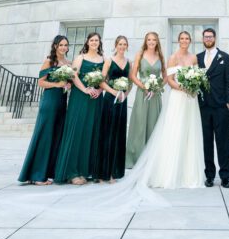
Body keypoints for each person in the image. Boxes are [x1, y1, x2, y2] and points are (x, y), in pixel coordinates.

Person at [140, 30, 205, 188]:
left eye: (187, 38)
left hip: (191, 99)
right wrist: (183, 88)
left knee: (191, 132)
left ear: (190, 41)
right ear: (178, 40)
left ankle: (190, 175)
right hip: (178, 98)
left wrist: (193, 87)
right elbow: (169, 80)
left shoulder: (193, 57)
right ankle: (169, 174)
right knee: (175, 131)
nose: (184, 41)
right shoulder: (172, 57)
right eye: (182, 38)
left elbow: (198, 77)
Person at [18, 35, 70, 185]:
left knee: (56, 137)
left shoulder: (68, 63)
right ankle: (36, 175)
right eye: (61, 45)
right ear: (55, 46)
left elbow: (68, 82)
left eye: (66, 45)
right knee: (45, 136)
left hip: (62, 102)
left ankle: (48, 172)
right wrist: (57, 85)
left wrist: (67, 85)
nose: (63, 48)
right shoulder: (49, 61)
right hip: (49, 101)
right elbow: (40, 82)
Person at [53, 31, 104, 185]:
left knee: (90, 132)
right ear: (87, 42)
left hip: (95, 99)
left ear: (99, 43)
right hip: (80, 98)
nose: (94, 42)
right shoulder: (80, 58)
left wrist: (99, 90)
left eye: (97, 40)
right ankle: (71, 172)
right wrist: (86, 90)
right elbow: (74, 76)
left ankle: (86, 170)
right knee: (77, 131)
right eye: (92, 40)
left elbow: (104, 79)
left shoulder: (103, 59)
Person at [196, 27, 229, 187]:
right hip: (204, 106)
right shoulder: (197, 58)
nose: (208, 39)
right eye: (206, 37)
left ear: (215, 38)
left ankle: (225, 176)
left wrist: (228, 101)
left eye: (210, 36)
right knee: (207, 142)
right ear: (203, 39)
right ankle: (209, 175)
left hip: (220, 106)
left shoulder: (224, 57)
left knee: (223, 141)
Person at [125, 31, 165, 167]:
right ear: (145, 41)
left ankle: (152, 158)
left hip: (155, 95)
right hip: (143, 93)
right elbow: (132, 75)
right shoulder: (140, 55)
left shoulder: (160, 56)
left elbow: (165, 76)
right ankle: (135, 157)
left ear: (157, 41)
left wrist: (157, 87)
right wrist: (144, 86)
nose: (151, 42)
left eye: (154, 40)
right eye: (149, 40)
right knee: (140, 124)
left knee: (153, 124)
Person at [96, 35, 131, 182]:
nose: (122, 47)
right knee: (108, 134)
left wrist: (125, 94)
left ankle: (116, 171)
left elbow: (130, 82)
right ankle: (104, 173)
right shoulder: (109, 61)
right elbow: (101, 82)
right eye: (120, 44)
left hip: (122, 101)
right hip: (110, 100)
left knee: (119, 134)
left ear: (127, 46)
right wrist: (114, 92)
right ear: (115, 45)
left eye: (124, 44)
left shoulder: (129, 62)